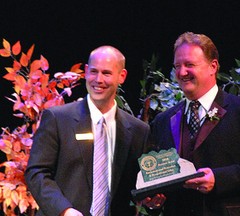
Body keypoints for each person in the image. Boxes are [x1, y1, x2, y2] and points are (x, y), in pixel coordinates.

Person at [148, 32, 240, 216]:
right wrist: (154, 198)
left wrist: (218, 179)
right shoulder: (163, 120)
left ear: (213, 67)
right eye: (177, 66)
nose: (181, 72)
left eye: (189, 64)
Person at [25, 46, 150, 216]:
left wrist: (153, 200)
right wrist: (64, 210)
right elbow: (36, 172)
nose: (98, 80)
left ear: (122, 76)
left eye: (106, 73)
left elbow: (139, 185)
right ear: (85, 71)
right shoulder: (57, 119)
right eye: (93, 72)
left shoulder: (138, 131)